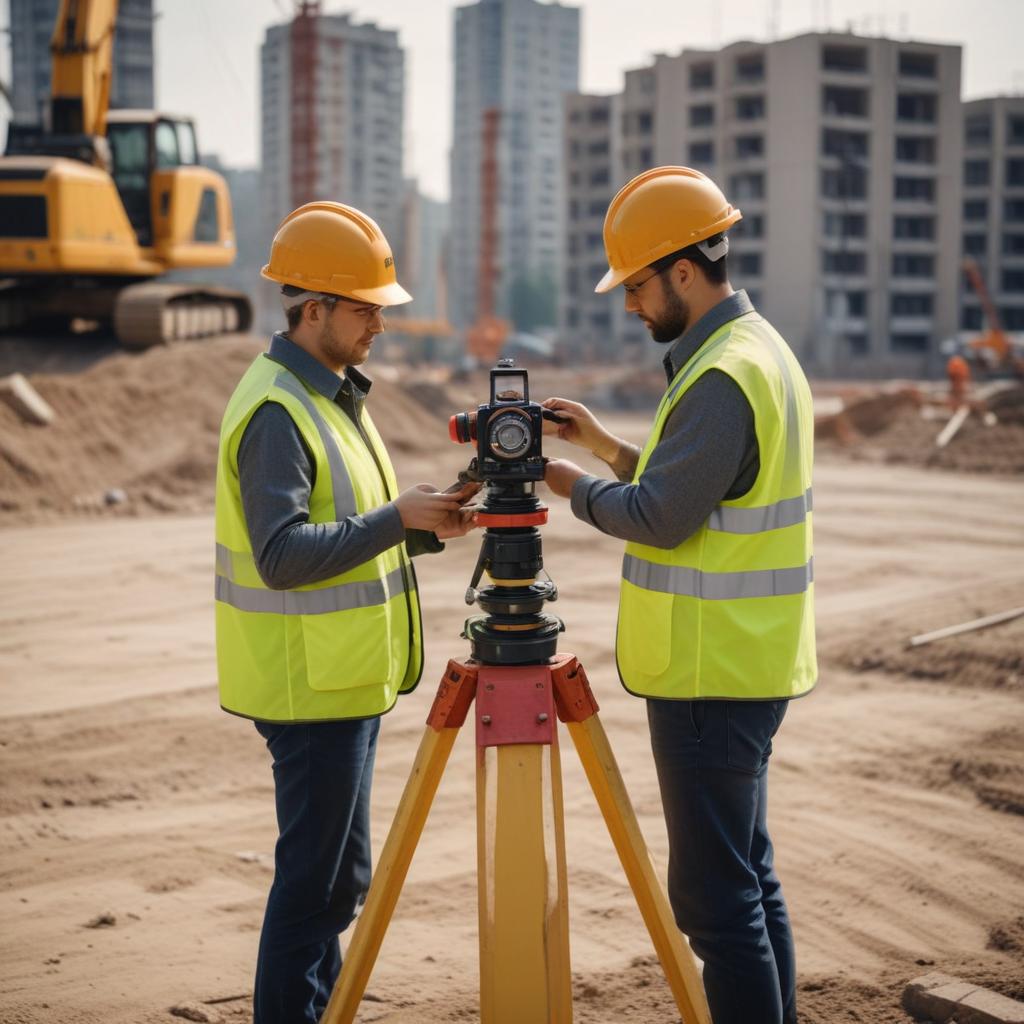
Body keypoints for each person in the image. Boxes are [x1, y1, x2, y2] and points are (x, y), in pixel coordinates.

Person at [542, 167, 816, 1024]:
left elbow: (661, 515)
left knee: (715, 902)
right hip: (742, 658)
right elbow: (693, 485)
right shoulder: (756, 353)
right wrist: (602, 446)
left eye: (636, 285)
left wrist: (568, 485)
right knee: (748, 878)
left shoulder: (722, 376)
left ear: (684, 272)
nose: (629, 303)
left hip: (711, 673)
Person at [213, 201, 478, 1024]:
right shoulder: (278, 413)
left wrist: (423, 526)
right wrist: (396, 519)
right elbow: (283, 555)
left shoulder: (331, 398)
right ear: (315, 308)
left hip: (342, 681)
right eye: (367, 309)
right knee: (314, 889)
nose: (380, 325)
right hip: (308, 688)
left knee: (334, 884)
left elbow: (350, 527)